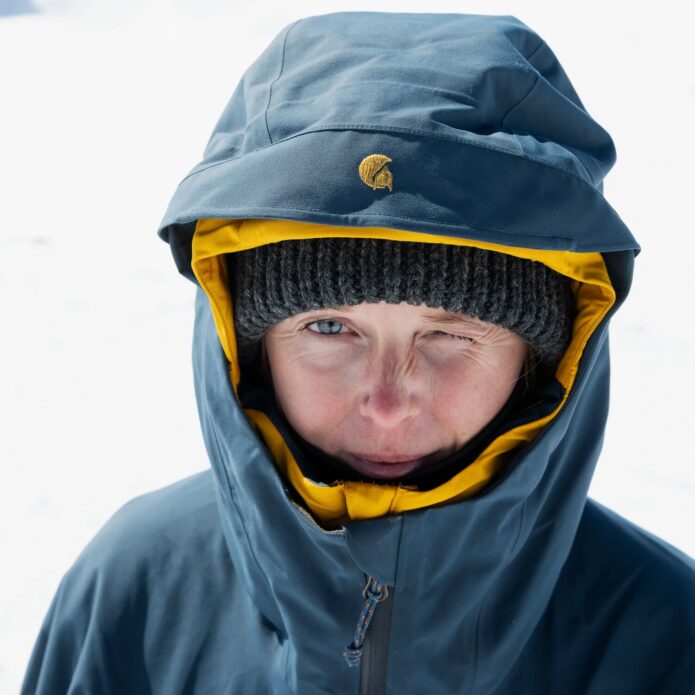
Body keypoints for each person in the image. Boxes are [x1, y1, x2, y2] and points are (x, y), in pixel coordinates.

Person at [21, 11, 695, 695]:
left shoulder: (668, 636)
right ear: (248, 348)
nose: (387, 403)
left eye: (451, 334)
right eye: (328, 327)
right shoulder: (136, 593)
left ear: (541, 360)